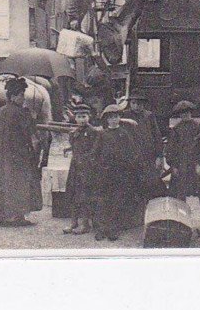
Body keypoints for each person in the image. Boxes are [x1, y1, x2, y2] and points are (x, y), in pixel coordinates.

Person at [0, 76, 42, 226]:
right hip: (18, 155)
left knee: (2, 181)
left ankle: (3, 215)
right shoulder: (22, 113)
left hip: (1, 154)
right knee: (18, 183)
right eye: (21, 95)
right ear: (13, 96)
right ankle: (16, 217)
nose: (23, 98)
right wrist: (32, 118)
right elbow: (28, 133)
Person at [90, 104, 143, 241]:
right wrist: (99, 167)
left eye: (116, 117)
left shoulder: (124, 134)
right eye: (111, 118)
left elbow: (132, 153)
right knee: (103, 201)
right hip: (104, 174)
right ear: (106, 120)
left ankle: (113, 229)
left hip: (120, 173)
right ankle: (101, 228)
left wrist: (127, 167)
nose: (114, 120)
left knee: (117, 201)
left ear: (120, 118)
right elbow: (95, 153)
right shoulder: (102, 134)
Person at [63, 104, 98, 235]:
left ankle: (85, 224)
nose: (82, 119)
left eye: (84, 116)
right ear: (75, 118)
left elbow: (94, 151)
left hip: (87, 168)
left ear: (89, 117)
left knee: (85, 195)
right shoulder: (74, 133)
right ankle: (73, 223)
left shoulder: (93, 132)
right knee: (73, 193)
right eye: (79, 117)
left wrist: (85, 159)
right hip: (75, 167)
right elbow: (75, 146)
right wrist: (68, 149)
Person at [122, 91, 163, 196]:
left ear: (143, 104)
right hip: (132, 155)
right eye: (133, 103)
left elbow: (157, 136)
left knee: (150, 183)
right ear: (130, 103)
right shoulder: (125, 115)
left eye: (139, 103)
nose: (136, 106)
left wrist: (159, 156)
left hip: (148, 155)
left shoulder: (149, 116)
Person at [165, 100, 199, 201]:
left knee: (199, 190)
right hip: (181, 163)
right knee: (179, 191)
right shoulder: (176, 129)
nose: (185, 115)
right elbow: (171, 148)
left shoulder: (197, 127)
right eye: (183, 113)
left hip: (195, 161)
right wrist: (173, 165)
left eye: (187, 112)